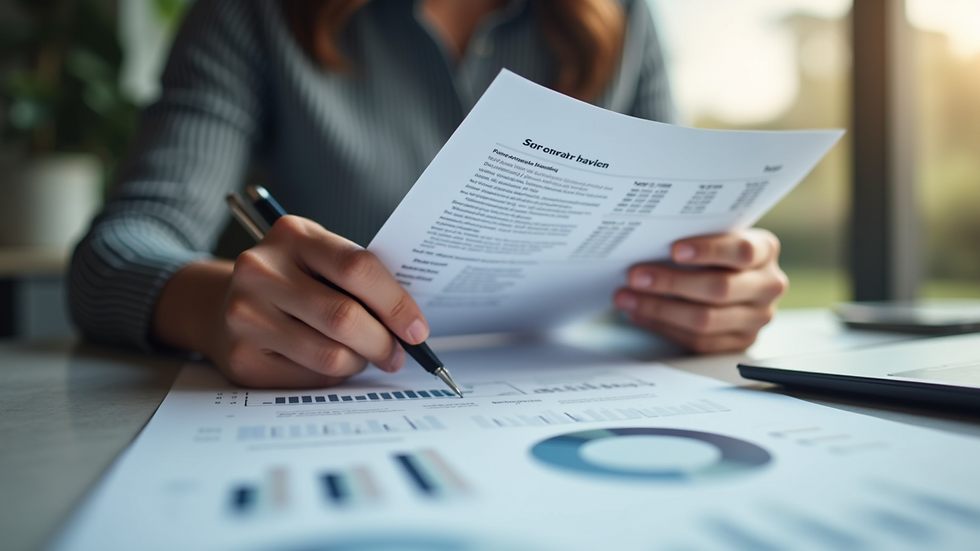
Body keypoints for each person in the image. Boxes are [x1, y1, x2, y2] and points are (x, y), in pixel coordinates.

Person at [69, 0, 788, 388]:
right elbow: (115, 252)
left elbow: (677, 226)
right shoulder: (252, 15)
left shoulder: (622, 18)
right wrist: (213, 305)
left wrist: (715, 283)